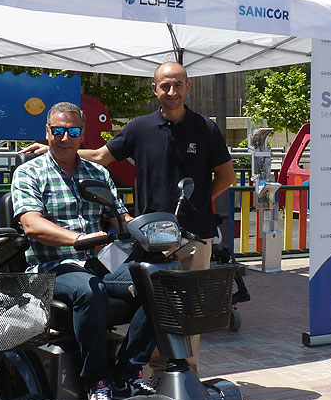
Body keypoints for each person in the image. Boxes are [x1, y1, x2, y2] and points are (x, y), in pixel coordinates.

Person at [22, 62, 236, 372]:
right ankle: (147, 374)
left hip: (191, 236)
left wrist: (199, 203)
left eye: (178, 85)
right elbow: (99, 156)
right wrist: (56, 148)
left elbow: (226, 177)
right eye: (165, 85)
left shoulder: (206, 128)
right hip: (149, 238)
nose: (172, 91)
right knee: (155, 299)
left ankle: (185, 375)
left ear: (188, 87)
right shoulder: (140, 127)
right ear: (155, 89)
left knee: (185, 312)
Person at [11, 102, 157, 400]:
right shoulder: (29, 172)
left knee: (157, 278)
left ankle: (128, 373)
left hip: (100, 263)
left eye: (73, 131)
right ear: (47, 132)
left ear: (82, 135)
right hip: (51, 268)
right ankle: (98, 382)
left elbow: (120, 219)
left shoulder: (98, 174)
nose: (65, 138)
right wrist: (77, 239)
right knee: (89, 289)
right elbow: (31, 224)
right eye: (59, 131)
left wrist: (152, 231)